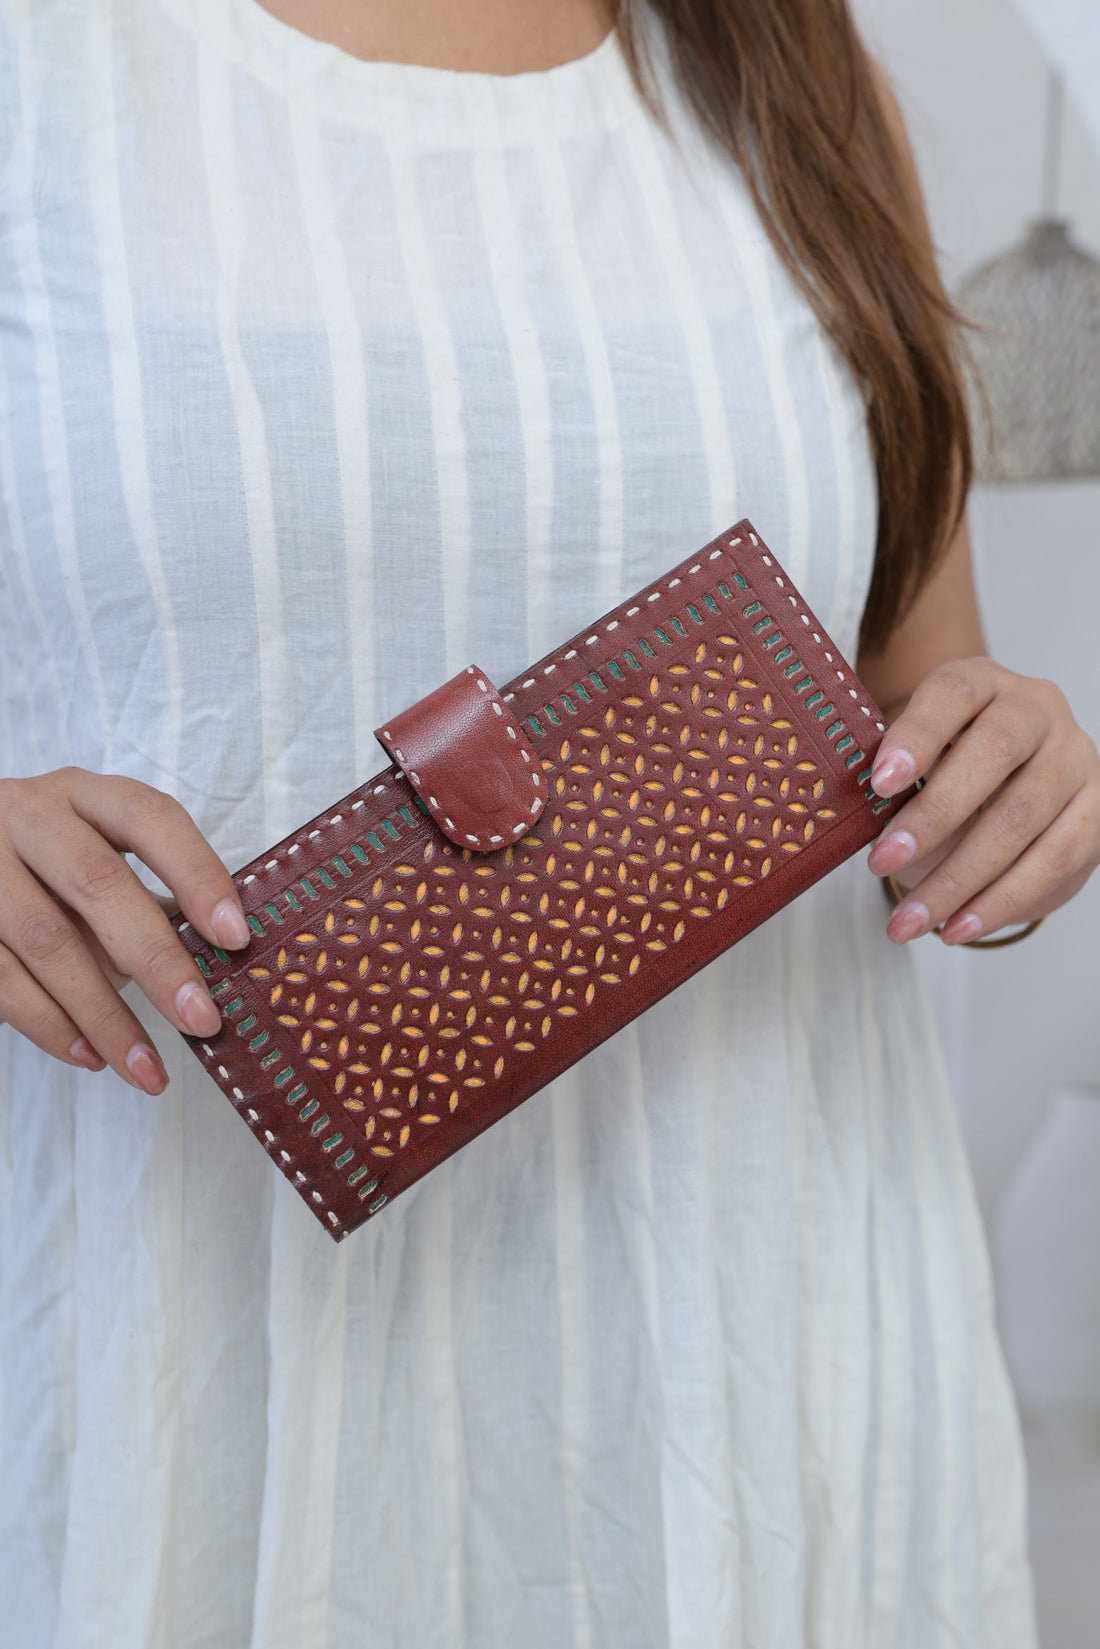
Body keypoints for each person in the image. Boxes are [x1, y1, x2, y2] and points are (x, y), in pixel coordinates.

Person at [0, 0, 1097, 1643]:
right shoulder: (49, 64)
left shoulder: (798, 67)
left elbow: (925, 703)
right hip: (213, 1349)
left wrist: (1026, 787)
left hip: (762, 1334)